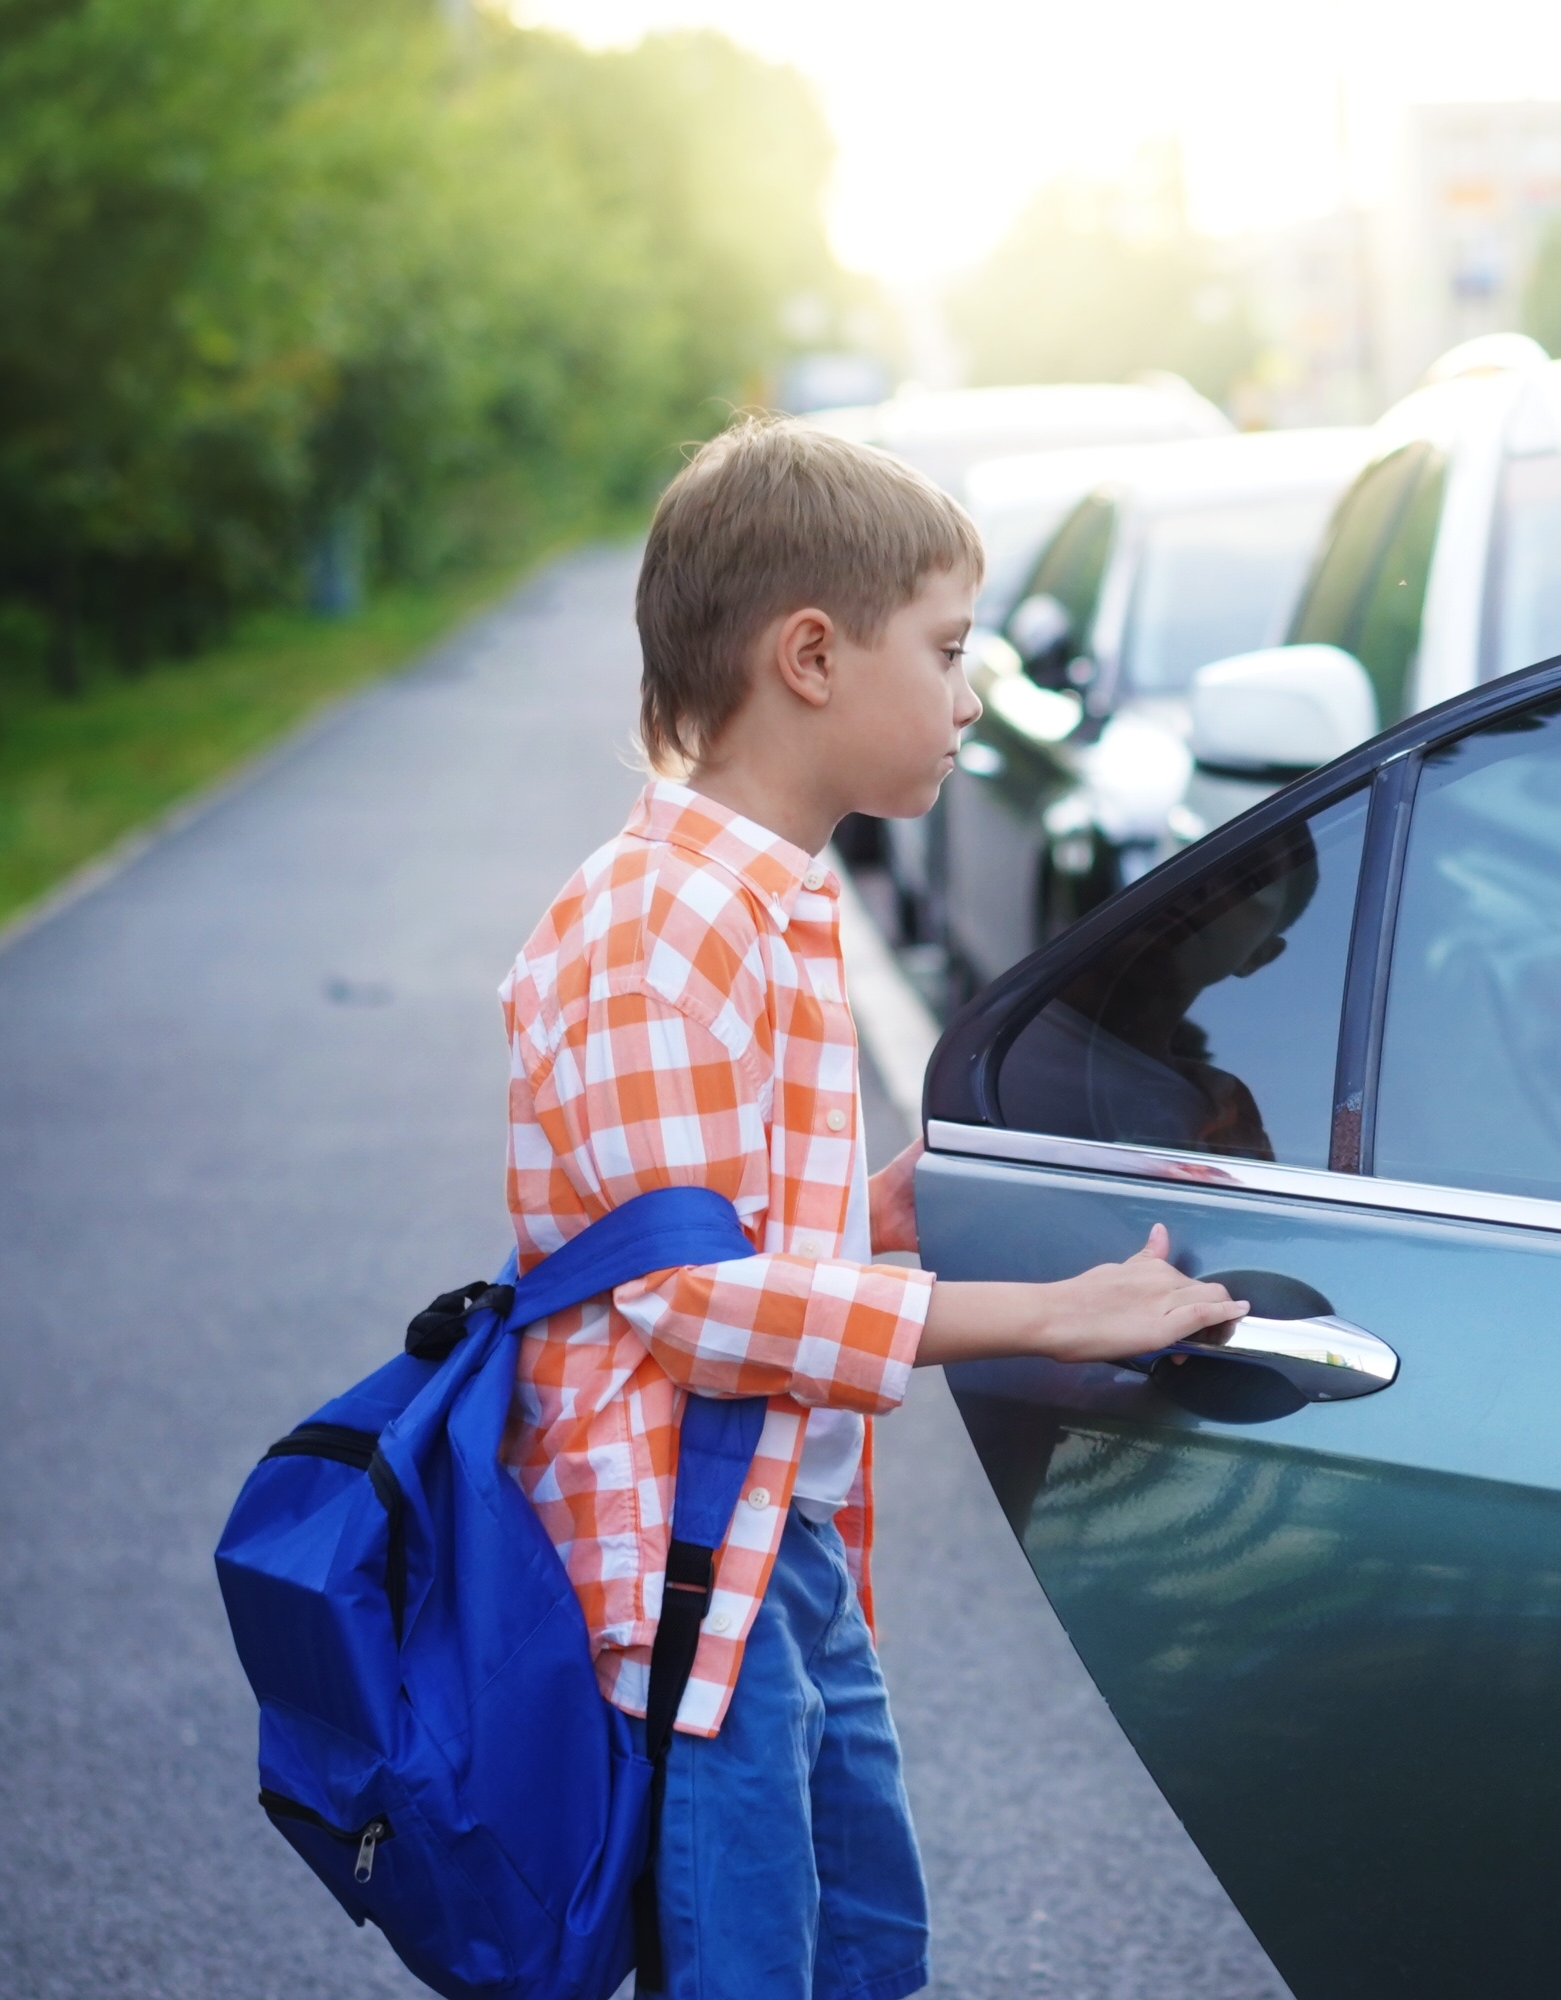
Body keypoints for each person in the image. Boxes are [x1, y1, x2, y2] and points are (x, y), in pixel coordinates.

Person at [498, 413, 1247, 1998]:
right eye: (950, 648)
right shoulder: (659, 932)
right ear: (814, 657)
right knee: (750, 1963)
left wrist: (881, 1214)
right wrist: (1047, 1320)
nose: (974, 697)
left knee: (867, 1952)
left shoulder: (769, 897)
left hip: (788, 1541)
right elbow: (691, 1309)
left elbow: (711, 1230)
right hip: (694, 1580)